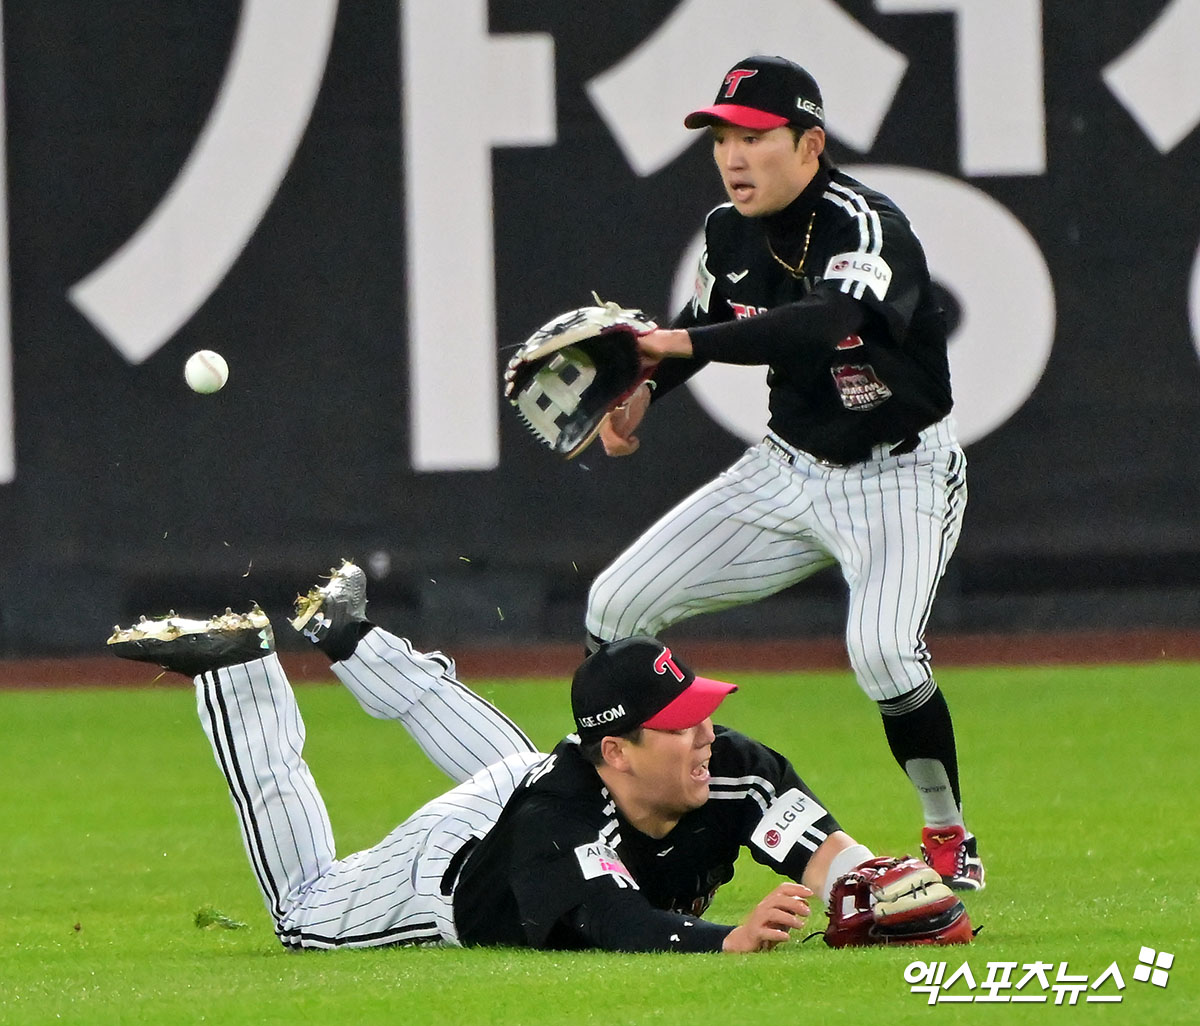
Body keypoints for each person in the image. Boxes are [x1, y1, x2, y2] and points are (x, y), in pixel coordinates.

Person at [107, 561, 972, 952]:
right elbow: (614, 922)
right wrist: (727, 942)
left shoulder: (725, 767)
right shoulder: (558, 829)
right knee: (301, 915)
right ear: (619, 750)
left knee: (528, 763)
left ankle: (349, 637)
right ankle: (240, 676)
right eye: (682, 724)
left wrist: (868, 884)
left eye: (703, 712)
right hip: (451, 871)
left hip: (539, 783)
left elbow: (823, 851)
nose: (708, 735)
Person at [584, 55, 983, 890]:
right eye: (720, 139)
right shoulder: (727, 231)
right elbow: (705, 317)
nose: (733, 157)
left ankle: (947, 831)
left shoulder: (867, 225)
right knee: (615, 606)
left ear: (810, 144)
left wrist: (673, 345)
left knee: (884, 654)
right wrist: (646, 389)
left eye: (754, 137)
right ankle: (627, 815)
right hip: (786, 470)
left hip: (899, 476)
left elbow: (823, 321)